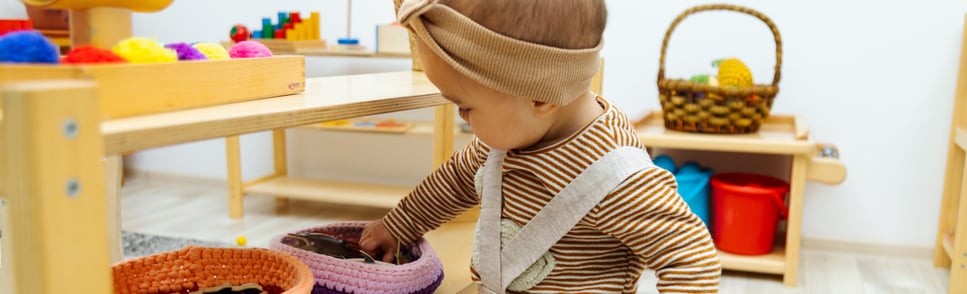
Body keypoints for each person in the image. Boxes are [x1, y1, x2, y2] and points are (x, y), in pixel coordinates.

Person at [359, 0, 721, 293]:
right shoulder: (505, 139)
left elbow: (691, 258)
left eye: (466, 107)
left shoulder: (616, 178)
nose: (463, 118)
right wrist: (399, 225)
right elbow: (453, 182)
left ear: (538, 96)